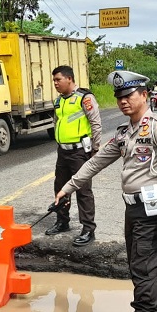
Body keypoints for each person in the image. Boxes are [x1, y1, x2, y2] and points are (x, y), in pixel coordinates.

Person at [56, 70, 157, 312]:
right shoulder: (123, 132)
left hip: (155, 208)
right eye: (119, 97)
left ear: (144, 95)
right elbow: (95, 162)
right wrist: (68, 188)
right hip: (134, 208)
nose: (123, 101)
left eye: (129, 95)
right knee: (140, 267)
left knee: (143, 269)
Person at [46, 65, 102, 246]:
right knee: (60, 187)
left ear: (69, 79)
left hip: (80, 152)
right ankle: (62, 221)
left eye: (58, 80)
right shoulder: (59, 101)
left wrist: (95, 149)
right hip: (63, 151)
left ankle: (88, 229)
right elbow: (57, 123)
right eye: (54, 80)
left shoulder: (85, 98)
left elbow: (95, 123)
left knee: (83, 190)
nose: (55, 83)